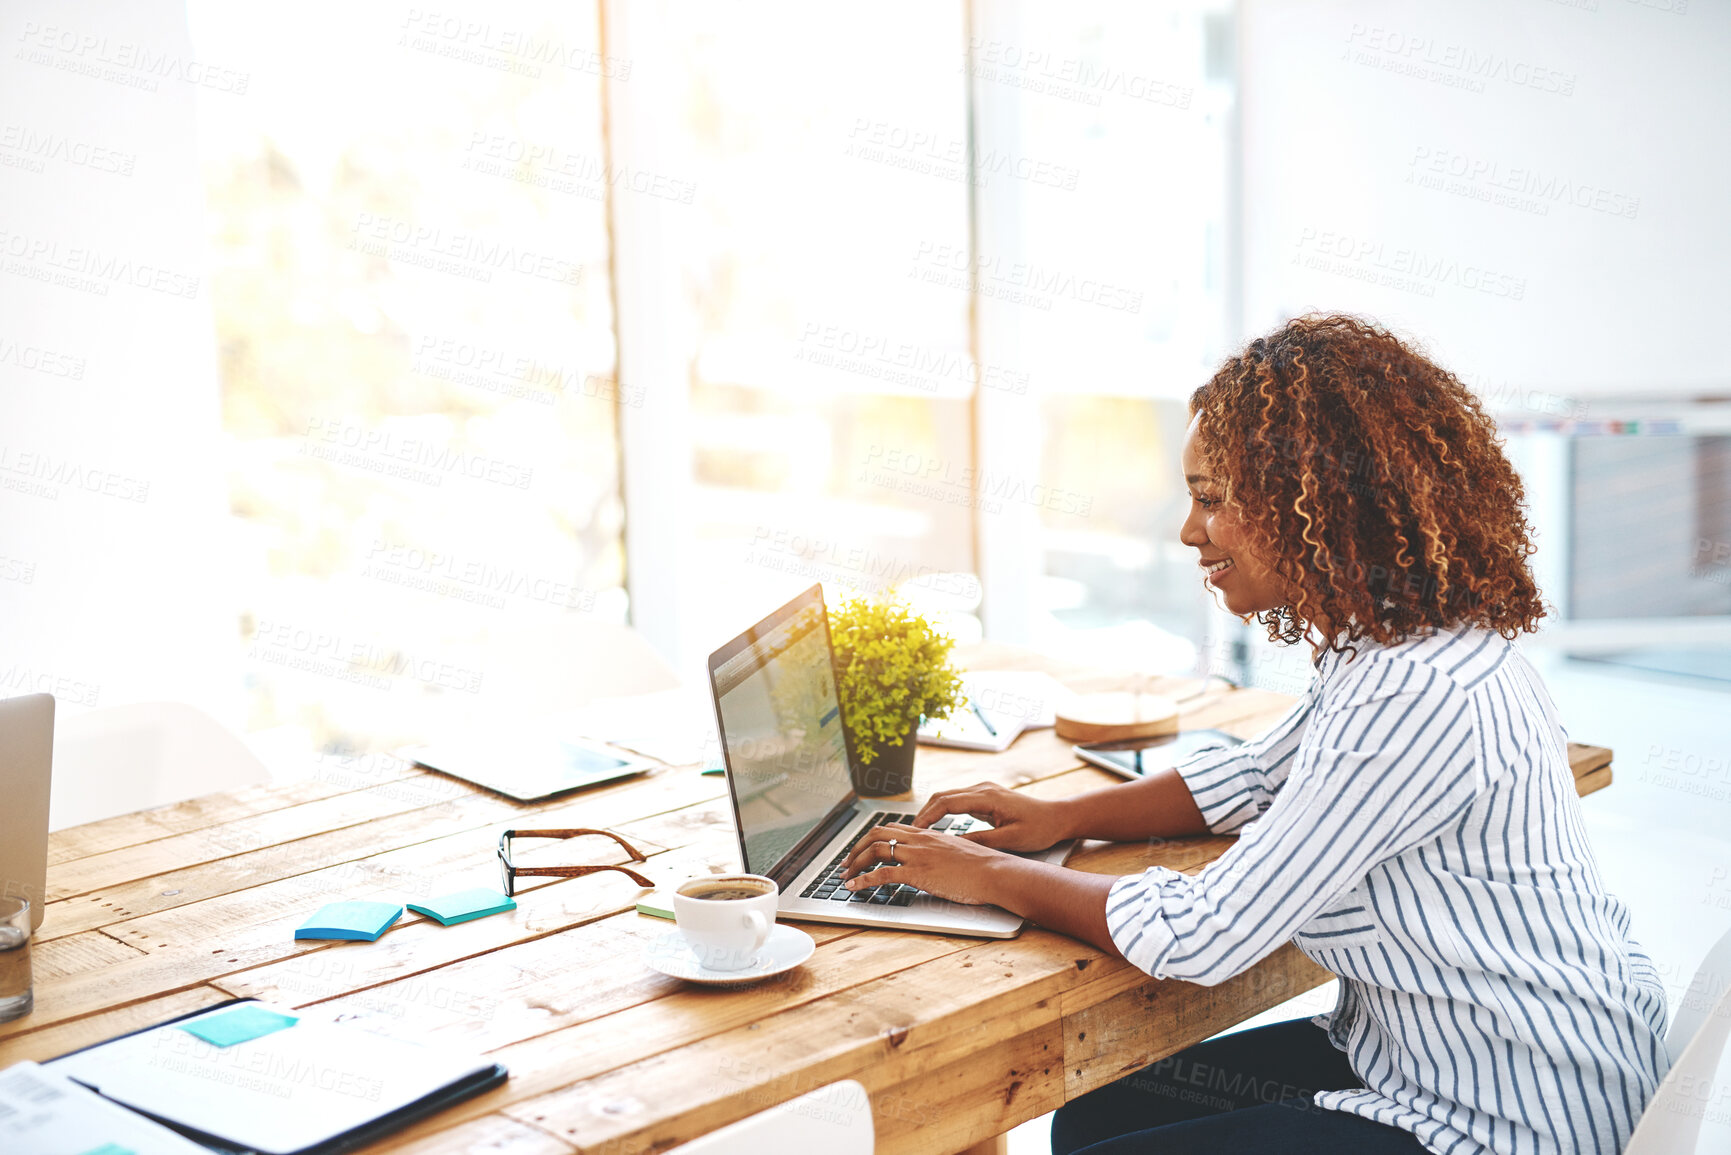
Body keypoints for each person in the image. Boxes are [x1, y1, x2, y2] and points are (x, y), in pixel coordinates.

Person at [841, 314, 1669, 1154]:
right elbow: (1250, 779)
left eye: (1210, 498)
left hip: (1508, 1115)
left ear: (1314, 504)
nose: (1187, 530)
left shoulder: (1413, 691)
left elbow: (1205, 933)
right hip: (1422, 1054)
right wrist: (1062, 818)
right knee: (1091, 1120)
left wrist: (988, 873)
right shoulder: (1390, 640)